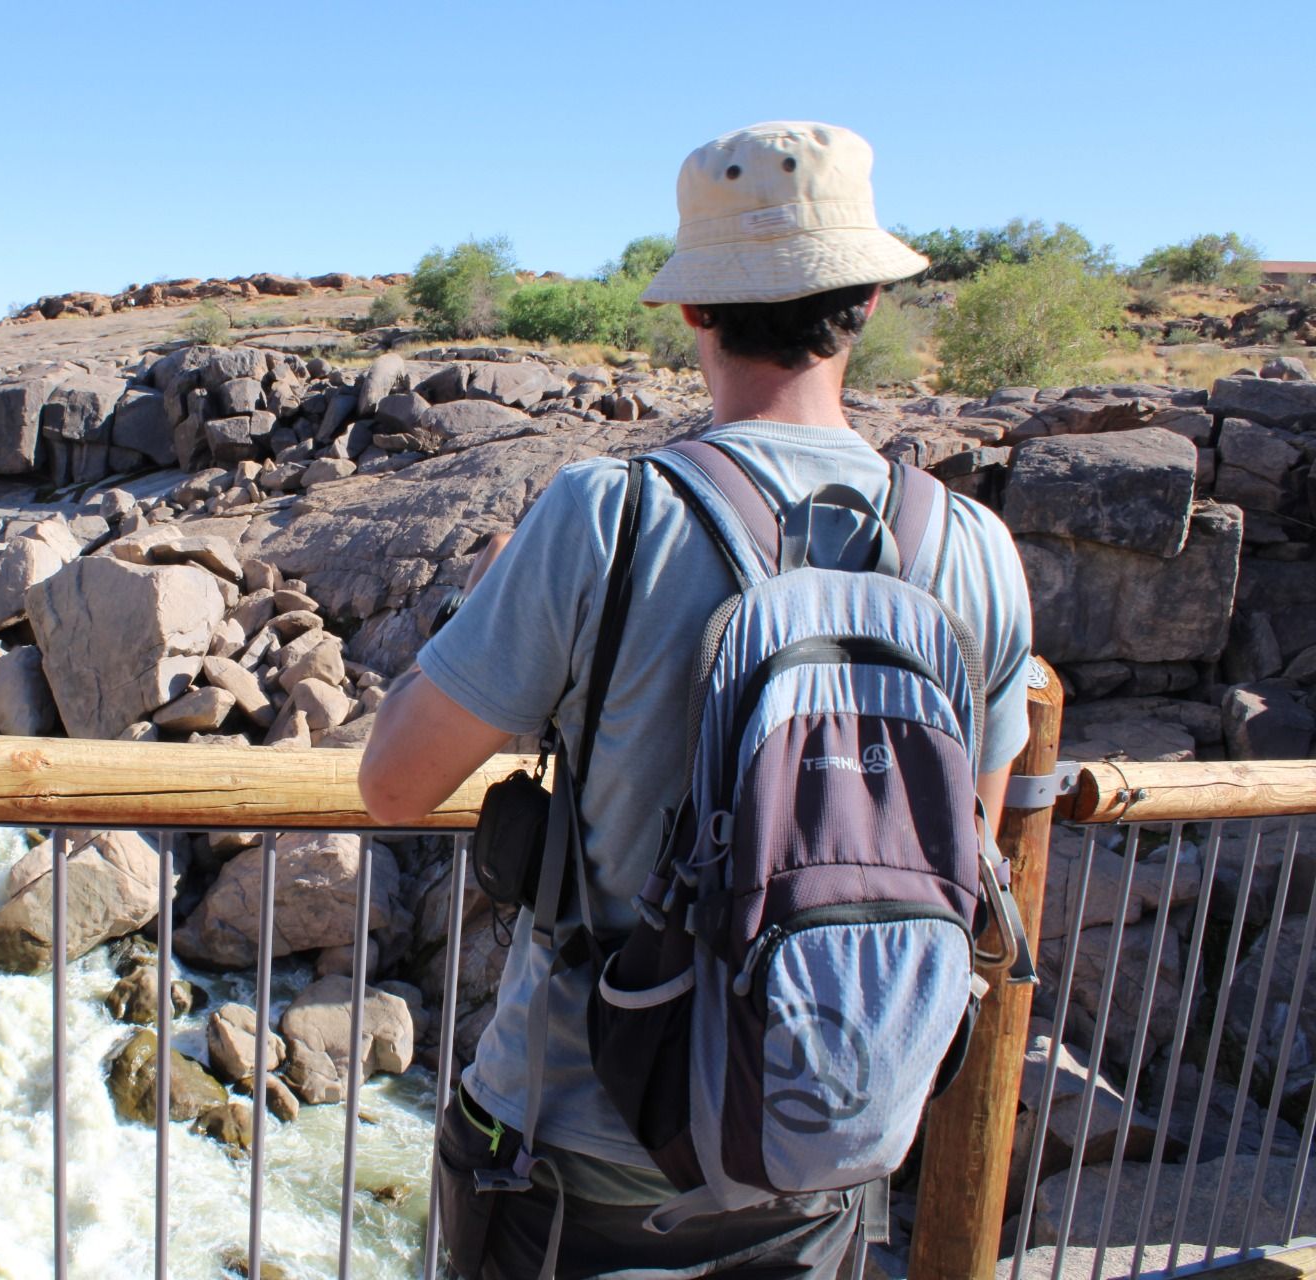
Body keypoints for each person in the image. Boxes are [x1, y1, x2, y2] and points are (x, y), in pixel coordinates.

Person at [358, 121, 1034, 1279]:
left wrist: (484, 604)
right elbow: (958, 840)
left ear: (693, 309)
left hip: (576, 1145)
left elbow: (391, 782)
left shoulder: (607, 513)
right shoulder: (972, 546)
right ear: (868, 298)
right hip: (828, 1133)